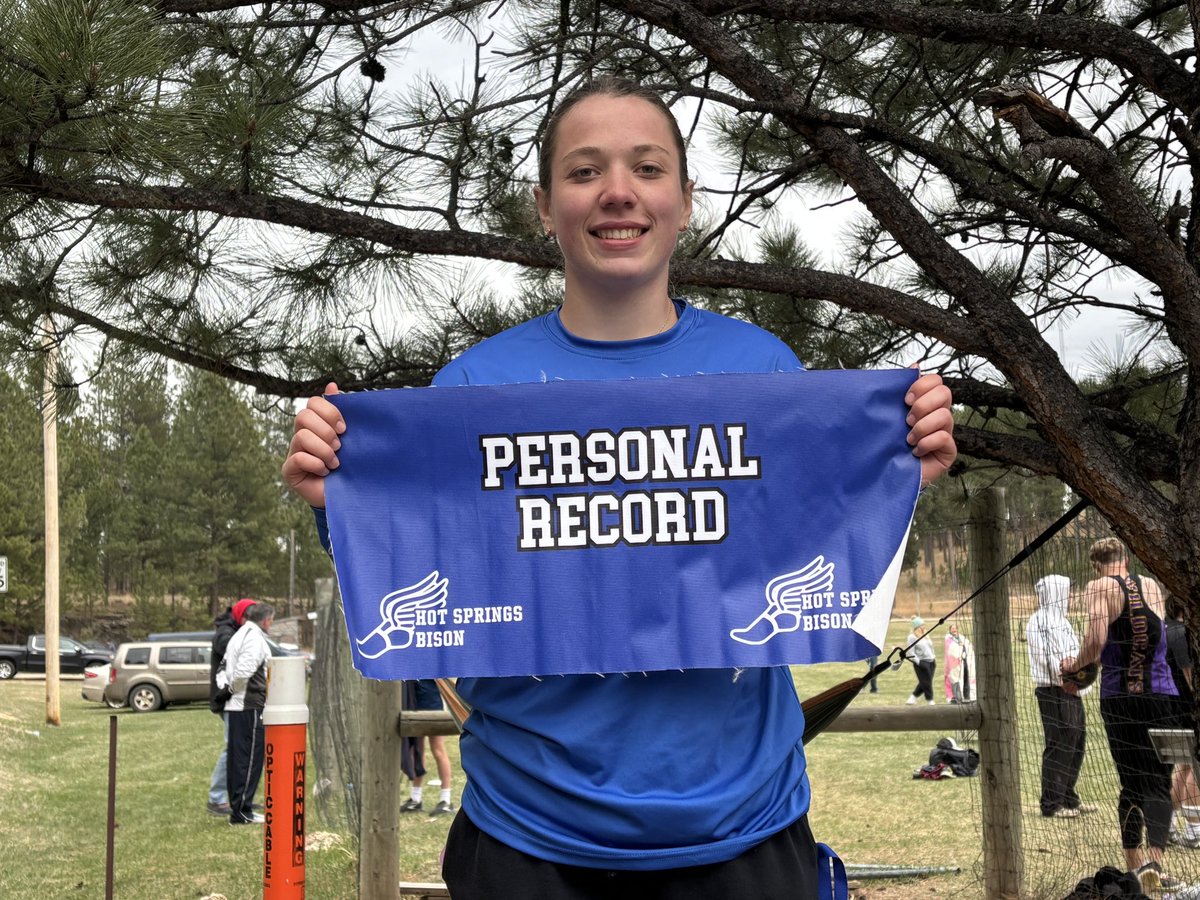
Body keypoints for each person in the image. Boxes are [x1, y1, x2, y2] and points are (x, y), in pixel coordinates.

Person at [283, 76, 956, 899]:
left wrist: (897, 477)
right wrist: (337, 503)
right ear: (542, 203)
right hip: (527, 839)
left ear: (685, 196)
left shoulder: (766, 374)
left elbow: (818, 553)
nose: (617, 193)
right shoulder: (471, 385)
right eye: (583, 171)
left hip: (744, 835)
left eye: (647, 167)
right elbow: (430, 575)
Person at [1061, 539, 1180, 892]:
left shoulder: (1098, 587)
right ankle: (1155, 863)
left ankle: (1135, 867)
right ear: (1126, 560)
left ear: (1097, 566)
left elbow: (1096, 641)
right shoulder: (1152, 585)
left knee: (1131, 783)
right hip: (1162, 696)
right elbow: (1159, 637)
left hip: (1120, 699)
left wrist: (1075, 666)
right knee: (1160, 780)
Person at [1026, 575, 1094, 820]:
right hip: (1053, 690)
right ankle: (1051, 804)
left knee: (1076, 743)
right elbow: (1044, 656)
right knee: (1059, 743)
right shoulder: (1037, 621)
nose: (1070, 596)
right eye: (1067, 592)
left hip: (1072, 690)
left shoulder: (1063, 621)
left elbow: (1076, 652)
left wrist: (1078, 670)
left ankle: (1068, 797)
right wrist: (1064, 670)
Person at [223, 601, 275, 826]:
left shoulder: (241, 634)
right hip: (248, 706)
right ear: (265, 620)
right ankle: (241, 811)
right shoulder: (254, 638)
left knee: (238, 760)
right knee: (249, 759)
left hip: (239, 706)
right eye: (271, 620)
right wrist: (234, 689)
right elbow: (244, 670)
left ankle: (240, 807)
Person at [206, 598, 257, 817]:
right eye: (247, 617)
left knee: (243, 749)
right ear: (239, 615)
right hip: (228, 699)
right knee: (233, 749)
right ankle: (216, 798)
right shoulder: (224, 633)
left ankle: (241, 796)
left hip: (243, 699)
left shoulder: (242, 630)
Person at [1163, 594, 1200, 848]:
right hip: (1186, 709)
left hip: (1169, 709)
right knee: (1196, 767)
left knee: (1184, 764)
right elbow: (1189, 674)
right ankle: (1194, 831)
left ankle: (1166, 825)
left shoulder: (1165, 629)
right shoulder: (1181, 633)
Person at [400, 680, 456, 817]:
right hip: (414, 701)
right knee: (417, 750)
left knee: (438, 749)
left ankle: (446, 800)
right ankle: (415, 798)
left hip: (433, 702)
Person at [905, 617, 937, 705]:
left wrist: (933, 657)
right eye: (922, 625)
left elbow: (930, 647)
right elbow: (910, 652)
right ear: (917, 627)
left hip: (932, 662)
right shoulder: (912, 637)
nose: (924, 627)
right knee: (926, 682)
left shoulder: (925, 635)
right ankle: (930, 700)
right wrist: (919, 662)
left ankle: (913, 697)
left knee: (926, 681)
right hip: (922, 662)